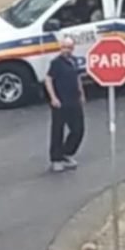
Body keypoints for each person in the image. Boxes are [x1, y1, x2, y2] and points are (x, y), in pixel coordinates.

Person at [45, 37, 85, 172]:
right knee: (58, 130)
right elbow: (48, 79)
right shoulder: (56, 63)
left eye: (68, 47)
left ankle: (66, 153)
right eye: (63, 47)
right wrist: (53, 97)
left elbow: (77, 77)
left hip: (74, 99)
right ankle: (56, 159)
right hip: (60, 101)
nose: (66, 50)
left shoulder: (74, 61)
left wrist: (81, 93)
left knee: (78, 129)